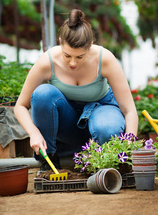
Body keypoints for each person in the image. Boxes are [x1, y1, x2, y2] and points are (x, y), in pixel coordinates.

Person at [14, 9, 138, 170]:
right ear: (60, 42)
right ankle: (50, 160)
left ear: (90, 46)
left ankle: (102, 159)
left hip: (101, 109)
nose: (72, 63)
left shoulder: (104, 59)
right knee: (42, 94)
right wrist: (34, 133)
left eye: (80, 56)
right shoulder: (47, 61)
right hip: (68, 123)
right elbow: (20, 106)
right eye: (67, 55)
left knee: (107, 128)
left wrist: (129, 143)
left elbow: (129, 110)